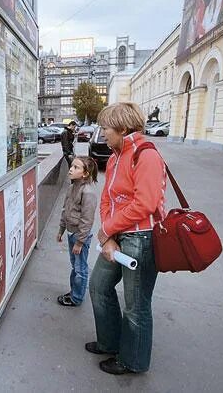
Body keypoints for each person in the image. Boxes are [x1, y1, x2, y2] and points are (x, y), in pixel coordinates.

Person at [87, 102, 166, 375]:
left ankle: (133, 360)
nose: (102, 133)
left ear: (122, 128)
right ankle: (110, 341)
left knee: (136, 305)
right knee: (98, 286)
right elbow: (107, 197)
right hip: (117, 233)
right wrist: (109, 232)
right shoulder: (114, 156)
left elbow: (145, 204)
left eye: (105, 128)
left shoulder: (146, 155)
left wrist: (108, 229)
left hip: (141, 238)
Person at [56, 156, 98, 307]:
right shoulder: (71, 187)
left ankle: (76, 298)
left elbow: (87, 220)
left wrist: (80, 242)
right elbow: (65, 209)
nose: (71, 169)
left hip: (80, 237)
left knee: (80, 268)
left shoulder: (88, 193)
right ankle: (75, 291)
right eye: (71, 166)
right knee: (75, 266)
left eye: (76, 167)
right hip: (70, 233)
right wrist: (61, 229)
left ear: (85, 173)